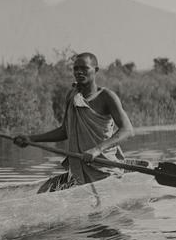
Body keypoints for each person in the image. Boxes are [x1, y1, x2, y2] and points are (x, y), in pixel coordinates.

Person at [14, 52, 134, 191]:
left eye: (84, 68)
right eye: (76, 68)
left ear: (95, 70)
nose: (79, 72)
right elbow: (65, 130)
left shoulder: (106, 97)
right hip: (78, 172)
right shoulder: (72, 96)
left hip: (104, 170)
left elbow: (127, 130)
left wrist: (96, 150)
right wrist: (31, 139)